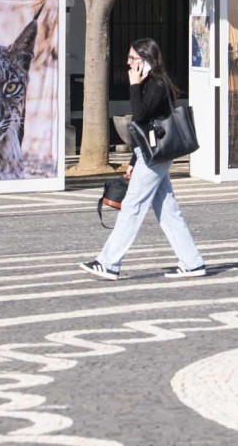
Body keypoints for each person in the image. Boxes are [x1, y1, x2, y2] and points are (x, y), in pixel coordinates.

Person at [79, 39, 206, 282]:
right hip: (149, 156)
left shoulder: (157, 85)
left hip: (155, 158)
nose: (128, 63)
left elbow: (138, 117)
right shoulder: (151, 83)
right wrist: (133, 160)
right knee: (168, 210)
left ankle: (109, 262)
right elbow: (143, 130)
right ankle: (192, 262)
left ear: (146, 61)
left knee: (132, 207)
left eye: (132, 59)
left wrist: (134, 85)